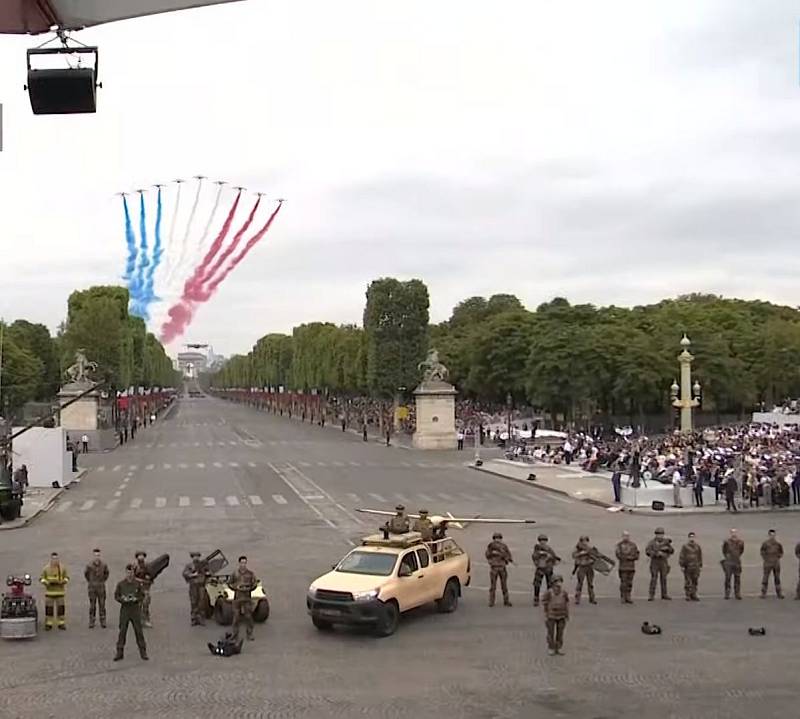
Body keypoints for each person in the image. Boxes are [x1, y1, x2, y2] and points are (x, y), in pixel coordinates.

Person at [114, 564, 148, 661]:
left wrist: (136, 599)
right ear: (126, 572)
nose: (129, 574)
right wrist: (123, 599)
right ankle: (119, 652)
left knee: (138, 631)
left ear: (133, 573)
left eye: (131, 572)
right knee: (122, 631)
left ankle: (143, 651)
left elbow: (142, 595)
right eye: (128, 572)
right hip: (125, 609)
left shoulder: (137, 584)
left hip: (135, 609)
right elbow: (116, 596)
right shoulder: (121, 584)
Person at [229, 555, 257, 641]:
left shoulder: (250, 574)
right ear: (239, 563)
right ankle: (234, 634)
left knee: (248, 616)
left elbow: (254, 584)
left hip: (247, 597)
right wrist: (236, 587)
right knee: (236, 617)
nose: (243, 564)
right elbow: (229, 583)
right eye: (242, 563)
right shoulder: (235, 573)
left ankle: (249, 633)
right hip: (237, 597)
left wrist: (249, 588)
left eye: (244, 563)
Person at [40, 552, 70, 630]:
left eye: (56, 559)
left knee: (61, 609)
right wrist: (47, 583)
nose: (55, 560)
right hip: (49, 592)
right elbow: (41, 578)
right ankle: (48, 624)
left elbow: (67, 577)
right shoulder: (46, 568)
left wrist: (63, 582)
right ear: (51, 559)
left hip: (60, 592)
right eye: (53, 559)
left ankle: (61, 623)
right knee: (49, 609)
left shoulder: (62, 568)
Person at [542, 575, 569, 656]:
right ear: (553, 584)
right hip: (551, 616)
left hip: (561, 615)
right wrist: (546, 614)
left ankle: (559, 647)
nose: (559, 584)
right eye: (557, 582)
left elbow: (566, 603)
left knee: (560, 632)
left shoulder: (564, 593)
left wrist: (567, 614)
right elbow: (544, 603)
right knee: (551, 632)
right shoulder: (549, 593)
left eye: (560, 582)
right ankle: (551, 647)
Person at [645, 527, 674, 601]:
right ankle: (651, 595)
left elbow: (672, 551)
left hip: (663, 562)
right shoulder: (652, 542)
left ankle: (664, 594)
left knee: (664, 578)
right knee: (654, 578)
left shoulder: (666, 542)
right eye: (658, 534)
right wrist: (656, 553)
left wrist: (667, 549)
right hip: (655, 561)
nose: (660, 536)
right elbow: (648, 551)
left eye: (661, 534)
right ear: (656, 535)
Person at [485, 532, 513, 607]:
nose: (497, 540)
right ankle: (491, 601)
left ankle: (506, 601)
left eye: (499, 538)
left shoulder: (504, 546)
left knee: (504, 585)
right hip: (494, 567)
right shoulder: (491, 546)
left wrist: (507, 558)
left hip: (502, 567)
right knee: (493, 586)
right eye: (496, 538)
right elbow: (487, 555)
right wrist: (492, 560)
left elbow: (508, 555)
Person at [531, 534, 559, 606]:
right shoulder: (537, 549)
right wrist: (541, 554)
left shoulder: (549, 549)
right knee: (537, 584)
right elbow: (534, 556)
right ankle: (536, 598)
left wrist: (551, 558)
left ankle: (548, 598)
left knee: (550, 584)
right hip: (540, 568)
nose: (542, 542)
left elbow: (553, 557)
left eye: (544, 540)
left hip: (548, 568)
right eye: (541, 540)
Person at [182, 552, 209, 626]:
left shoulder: (203, 565)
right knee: (194, 602)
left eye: (197, 556)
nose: (196, 558)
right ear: (192, 557)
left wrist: (207, 573)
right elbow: (184, 573)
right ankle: (194, 618)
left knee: (202, 601)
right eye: (194, 556)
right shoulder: (189, 565)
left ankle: (201, 618)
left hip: (201, 585)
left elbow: (209, 572)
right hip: (193, 586)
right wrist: (192, 574)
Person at [84, 548, 109, 628]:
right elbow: (86, 574)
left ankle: (103, 620)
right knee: (92, 605)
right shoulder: (89, 565)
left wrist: (102, 581)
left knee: (102, 604)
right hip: (92, 588)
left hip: (101, 587)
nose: (96, 557)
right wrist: (91, 581)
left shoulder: (104, 565)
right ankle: (92, 620)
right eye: (95, 555)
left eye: (98, 555)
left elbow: (106, 574)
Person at [571, 535, 598, 605]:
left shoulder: (590, 549)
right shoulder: (578, 549)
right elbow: (574, 556)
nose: (584, 542)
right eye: (583, 541)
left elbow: (596, 557)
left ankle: (592, 598)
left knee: (590, 584)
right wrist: (581, 553)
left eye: (586, 541)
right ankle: (577, 599)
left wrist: (591, 556)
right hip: (581, 567)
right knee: (580, 584)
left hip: (589, 566)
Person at [615, 531, 639, 604]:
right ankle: (623, 596)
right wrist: (628, 557)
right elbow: (618, 555)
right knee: (623, 582)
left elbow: (636, 555)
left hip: (631, 567)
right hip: (623, 567)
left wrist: (629, 557)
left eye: (627, 536)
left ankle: (628, 596)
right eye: (624, 536)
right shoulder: (619, 545)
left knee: (629, 582)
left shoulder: (633, 545)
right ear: (622, 537)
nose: (626, 537)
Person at [678, 532, 702, 601]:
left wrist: (700, 565)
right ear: (688, 538)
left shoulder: (697, 546)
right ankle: (688, 594)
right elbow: (682, 556)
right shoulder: (685, 546)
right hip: (688, 566)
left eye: (693, 537)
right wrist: (682, 565)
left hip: (696, 566)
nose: (692, 538)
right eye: (691, 537)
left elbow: (699, 556)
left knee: (695, 580)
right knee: (688, 581)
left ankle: (693, 594)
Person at [760, 528, 784, 599]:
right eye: (771, 535)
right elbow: (762, 552)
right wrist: (766, 558)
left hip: (776, 564)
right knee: (765, 578)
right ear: (769, 535)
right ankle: (763, 593)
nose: (772, 536)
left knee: (777, 578)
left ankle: (779, 593)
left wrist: (777, 557)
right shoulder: (765, 544)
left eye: (773, 535)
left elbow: (781, 552)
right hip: (767, 563)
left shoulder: (778, 544)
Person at [722, 528, 745, 600]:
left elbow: (741, 550)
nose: (733, 534)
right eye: (732, 532)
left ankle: (737, 593)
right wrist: (728, 557)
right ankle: (727, 593)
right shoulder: (727, 542)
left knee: (737, 578)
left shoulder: (741, 542)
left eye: (735, 532)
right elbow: (724, 551)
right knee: (728, 578)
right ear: (730, 533)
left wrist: (737, 556)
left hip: (737, 562)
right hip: (729, 562)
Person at [133, 551, 153, 627]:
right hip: (137, 588)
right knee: (138, 605)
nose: (141, 558)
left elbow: (152, 576)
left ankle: (146, 620)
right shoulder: (135, 566)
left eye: (142, 556)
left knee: (146, 605)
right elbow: (132, 577)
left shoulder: (148, 566)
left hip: (146, 588)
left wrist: (149, 580)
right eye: (139, 556)